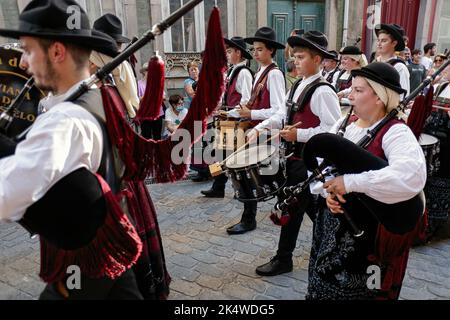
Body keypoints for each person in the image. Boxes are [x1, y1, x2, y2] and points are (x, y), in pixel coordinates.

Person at [0, 0, 144, 299]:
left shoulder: (65, 121)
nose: (23, 62)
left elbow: (7, 196)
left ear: (56, 51)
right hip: (109, 247)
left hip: (82, 265)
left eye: (28, 50)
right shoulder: (99, 95)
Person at [306, 62, 427, 300]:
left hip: (370, 234)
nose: (349, 95)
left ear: (379, 97)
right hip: (332, 228)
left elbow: (410, 176)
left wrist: (350, 183)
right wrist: (327, 191)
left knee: (364, 290)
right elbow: (320, 167)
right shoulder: (343, 125)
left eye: (358, 90)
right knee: (322, 284)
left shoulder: (396, 132)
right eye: (351, 89)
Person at [251, 31, 341, 276]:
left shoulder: (323, 91)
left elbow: (333, 131)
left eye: (301, 57)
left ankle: (284, 259)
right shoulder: (299, 84)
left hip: (308, 162)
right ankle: (333, 242)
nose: (295, 62)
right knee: (307, 208)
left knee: (291, 208)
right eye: (295, 57)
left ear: (318, 59)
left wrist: (298, 135)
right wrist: (260, 127)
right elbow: (282, 114)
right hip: (293, 158)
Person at [224, 26, 285, 235]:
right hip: (256, 131)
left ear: (271, 51)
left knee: (262, 176)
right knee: (255, 176)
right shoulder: (260, 72)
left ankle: (256, 217)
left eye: (260, 49)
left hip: (265, 133)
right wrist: (235, 114)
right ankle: (254, 216)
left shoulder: (274, 74)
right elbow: (253, 106)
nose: (256, 53)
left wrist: (251, 115)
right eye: (255, 49)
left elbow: (279, 110)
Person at [200, 36, 253, 198]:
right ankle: (218, 186)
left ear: (239, 52)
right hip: (226, 122)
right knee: (219, 155)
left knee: (232, 159)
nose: (227, 54)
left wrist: (228, 113)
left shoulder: (243, 73)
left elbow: (246, 102)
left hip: (236, 123)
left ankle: (241, 189)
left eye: (229, 51)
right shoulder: (232, 70)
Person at [375, 23, 410, 95]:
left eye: (384, 41)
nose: (379, 44)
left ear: (394, 43)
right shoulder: (374, 63)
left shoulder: (399, 68)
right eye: (378, 40)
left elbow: (403, 96)